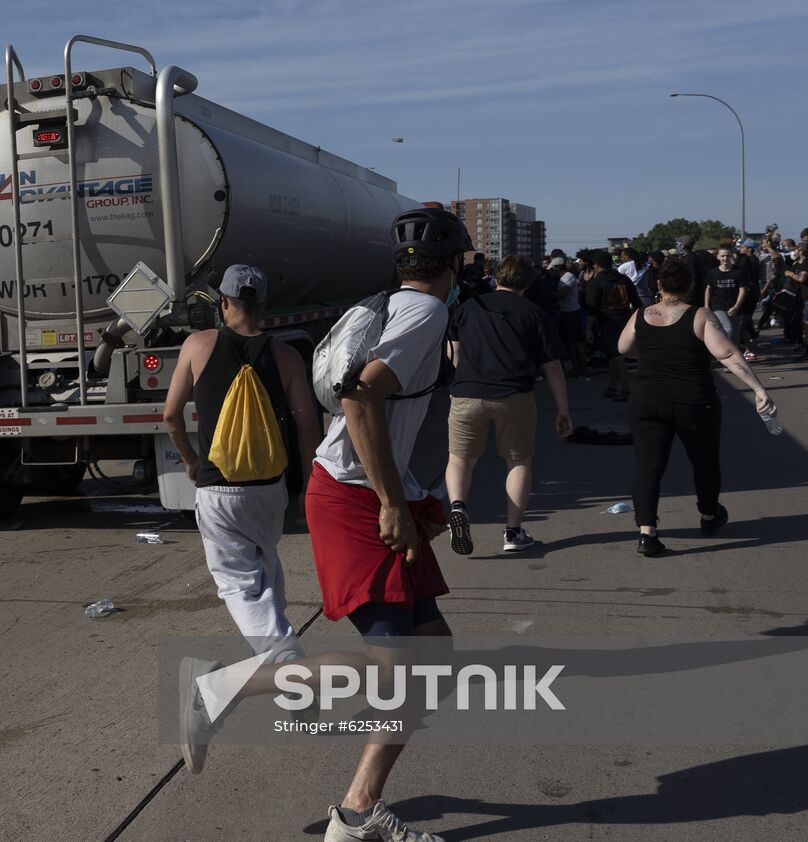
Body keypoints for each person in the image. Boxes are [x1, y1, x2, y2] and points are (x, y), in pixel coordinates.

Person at [180, 209, 464, 842]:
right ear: (453, 266)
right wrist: (394, 503)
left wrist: (411, 497)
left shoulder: (388, 305)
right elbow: (361, 399)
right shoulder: (427, 314)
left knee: (432, 658)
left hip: (364, 489)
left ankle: (358, 813)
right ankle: (222, 689)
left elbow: (368, 415)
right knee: (395, 665)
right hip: (356, 497)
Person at [163, 264, 320, 659]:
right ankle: (290, 691)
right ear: (263, 304)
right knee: (266, 565)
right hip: (270, 488)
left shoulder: (197, 345)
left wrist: (191, 460)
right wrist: (307, 488)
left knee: (237, 583)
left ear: (224, 302)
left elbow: (170, 415)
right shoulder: (285, 355)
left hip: (218, 487)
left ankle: (284, 658)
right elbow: (307, 428)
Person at [616, 257, 776, 556]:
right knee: (704, 461)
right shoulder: (700, 316)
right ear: (690, 286)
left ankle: (647, 532)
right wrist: (758, 389)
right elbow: (726, 353)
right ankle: (708, 514)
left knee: (648, 466)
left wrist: (651, 352)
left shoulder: (641, 315)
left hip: (648, 400)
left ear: (659, 285)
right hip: (695, 401)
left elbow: (624, 348)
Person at [444, 256, 573, 555]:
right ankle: (513, 533)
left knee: (460, 459)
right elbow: (552, 367)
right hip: (514, 396)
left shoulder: (470, 307)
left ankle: (459, 508)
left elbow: (455, 355)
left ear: (496, 277)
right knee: (518, 461)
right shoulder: (535, 314)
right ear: (527, 283)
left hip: (467, 393)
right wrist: (563, 409)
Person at [583, 250, 635, 401]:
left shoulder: (596, 282)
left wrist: (588, 329)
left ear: (597, 265)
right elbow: (636, 300)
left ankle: (627, 390)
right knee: (613, 356)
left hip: (608, 321)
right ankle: (612, 386)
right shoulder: (623, 279)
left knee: (617, 356)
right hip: (625, 319)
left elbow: (592, 309)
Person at [703, 245, 747, 358]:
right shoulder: (713, 273)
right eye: (722, 256)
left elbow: (742, 290)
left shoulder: (739, 272)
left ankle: (734, 358)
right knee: (728, 329)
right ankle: (724, 355)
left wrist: (737, 306)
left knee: (735, 334)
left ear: (731, 256)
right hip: (718, 305)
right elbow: (708, 288)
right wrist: (706, 305)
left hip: (735, 306)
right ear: (718, 257)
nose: (725, 258)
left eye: (727, 256)